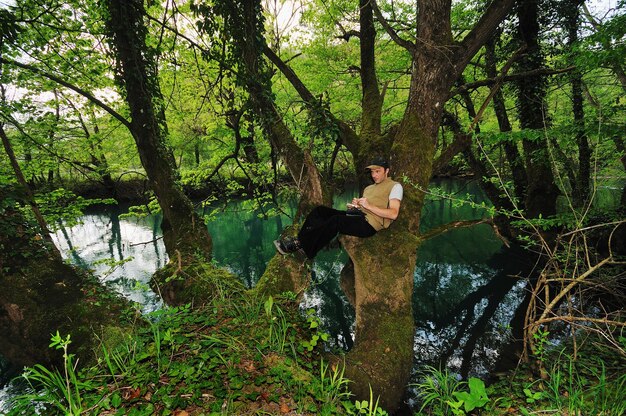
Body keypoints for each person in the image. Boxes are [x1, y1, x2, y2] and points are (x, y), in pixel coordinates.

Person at [274, 156, 403, 259]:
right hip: (359, 216)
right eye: (372, 172)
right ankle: (300, 240)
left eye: (378, 171)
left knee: (336, 221)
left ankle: (304, 248)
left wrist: (368, 205)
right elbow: (364, 208)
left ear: (387, 171)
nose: (374, 175)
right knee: (320, 211)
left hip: (370, 225)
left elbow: (393, 214)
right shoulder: (369, 188)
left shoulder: (395, 186)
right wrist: (356, 206)